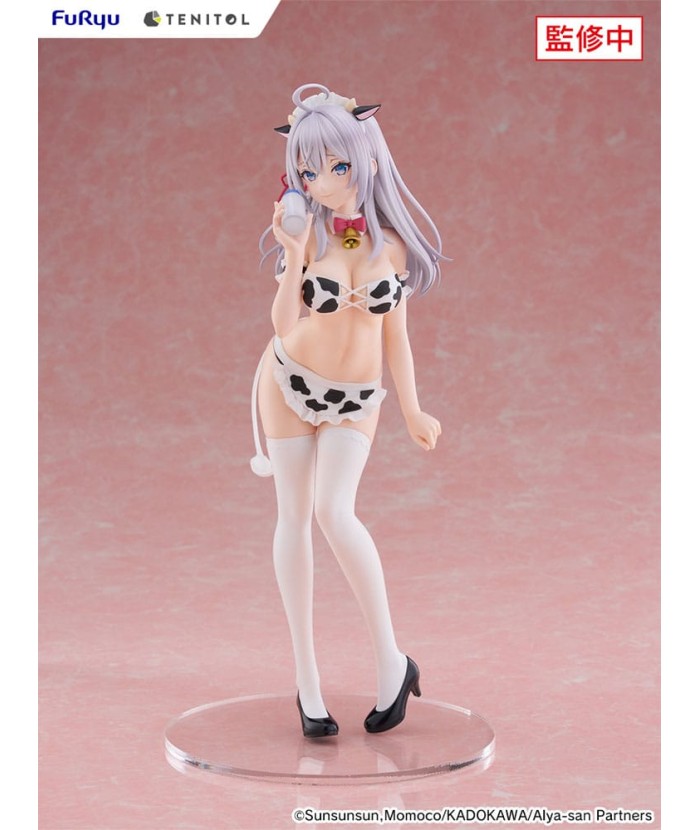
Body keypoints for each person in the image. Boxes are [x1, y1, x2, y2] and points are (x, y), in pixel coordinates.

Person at [251, 83, 444, 737]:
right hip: (287, 380)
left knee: (335, 511)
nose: (324, 182)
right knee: (294, 518)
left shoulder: (390, 247)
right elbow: (284, 323)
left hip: (357, 398)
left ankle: (392, 661)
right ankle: (307, 683)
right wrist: (293, 257)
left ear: (365, 158)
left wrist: (413, 409)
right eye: (308, 171)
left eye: (336, 165)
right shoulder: (309, 239)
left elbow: (397, 339)